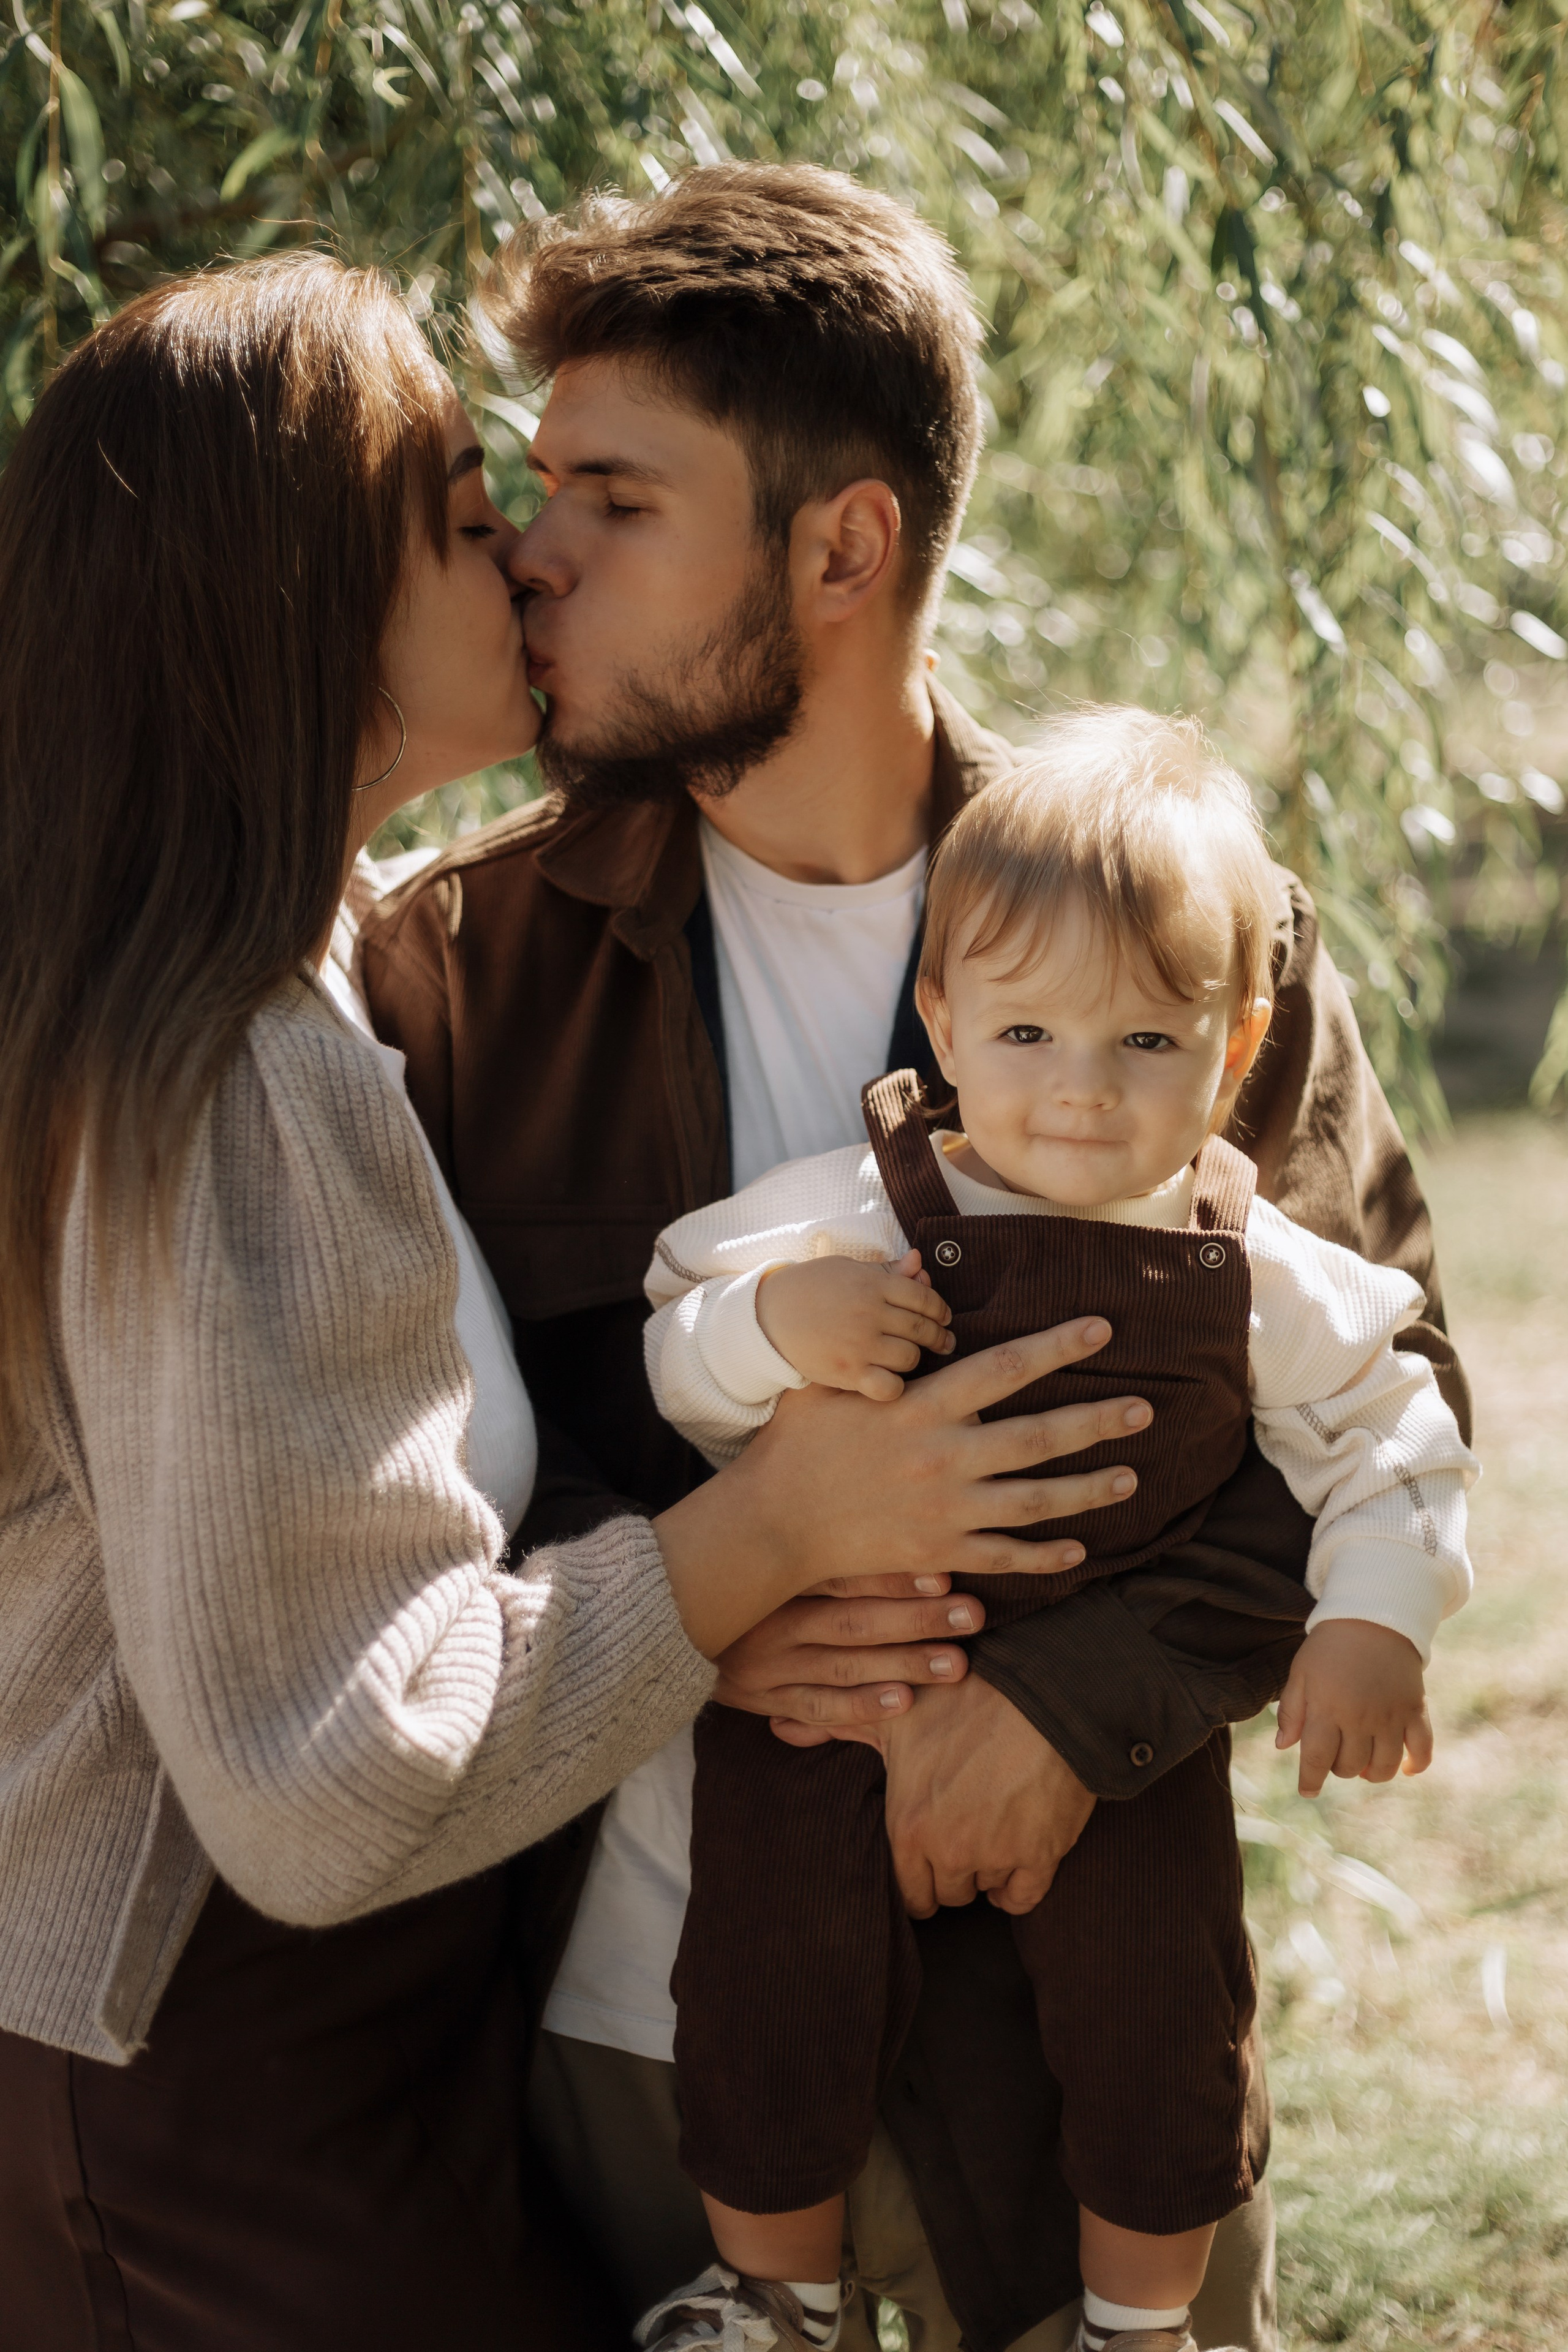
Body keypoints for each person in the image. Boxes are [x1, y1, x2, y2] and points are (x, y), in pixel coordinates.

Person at [359, 164, 1471, 2350]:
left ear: (842, 544)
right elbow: (398, 1489)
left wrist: (1070, 1712)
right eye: (536, 486)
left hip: (1078, 2038)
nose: (530, 550)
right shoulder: (451, 973)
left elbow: (1381, 1394)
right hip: (639, 2025)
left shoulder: (1181, 933)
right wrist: (685, 1610)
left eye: (612, 496)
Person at [0, 253, 1142, 2351]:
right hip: (214, 2059)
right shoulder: (276, 1038)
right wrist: (769, 1539)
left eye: (592, 505)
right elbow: (335, 1752)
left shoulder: (300, 989)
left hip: (394, 2040)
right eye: (467, 514)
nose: (523, 554)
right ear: (293, 598)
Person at [635, 712, 1476, 2352]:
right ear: (942, 1021)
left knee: (1162, 2006)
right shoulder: (865, 1211)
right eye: (1026, 1031)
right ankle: (774, 2293)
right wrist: (779, 1327)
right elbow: (676, 1338)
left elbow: (1394, 1423)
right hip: (842, 1693)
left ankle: (1140, 2322)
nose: (1081, 1096)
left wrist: (1377, 1617)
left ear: (1237, 1049)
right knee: (767, 1974)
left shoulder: (1243, 1255)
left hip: (1116, 1738)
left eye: (1146, 1047)